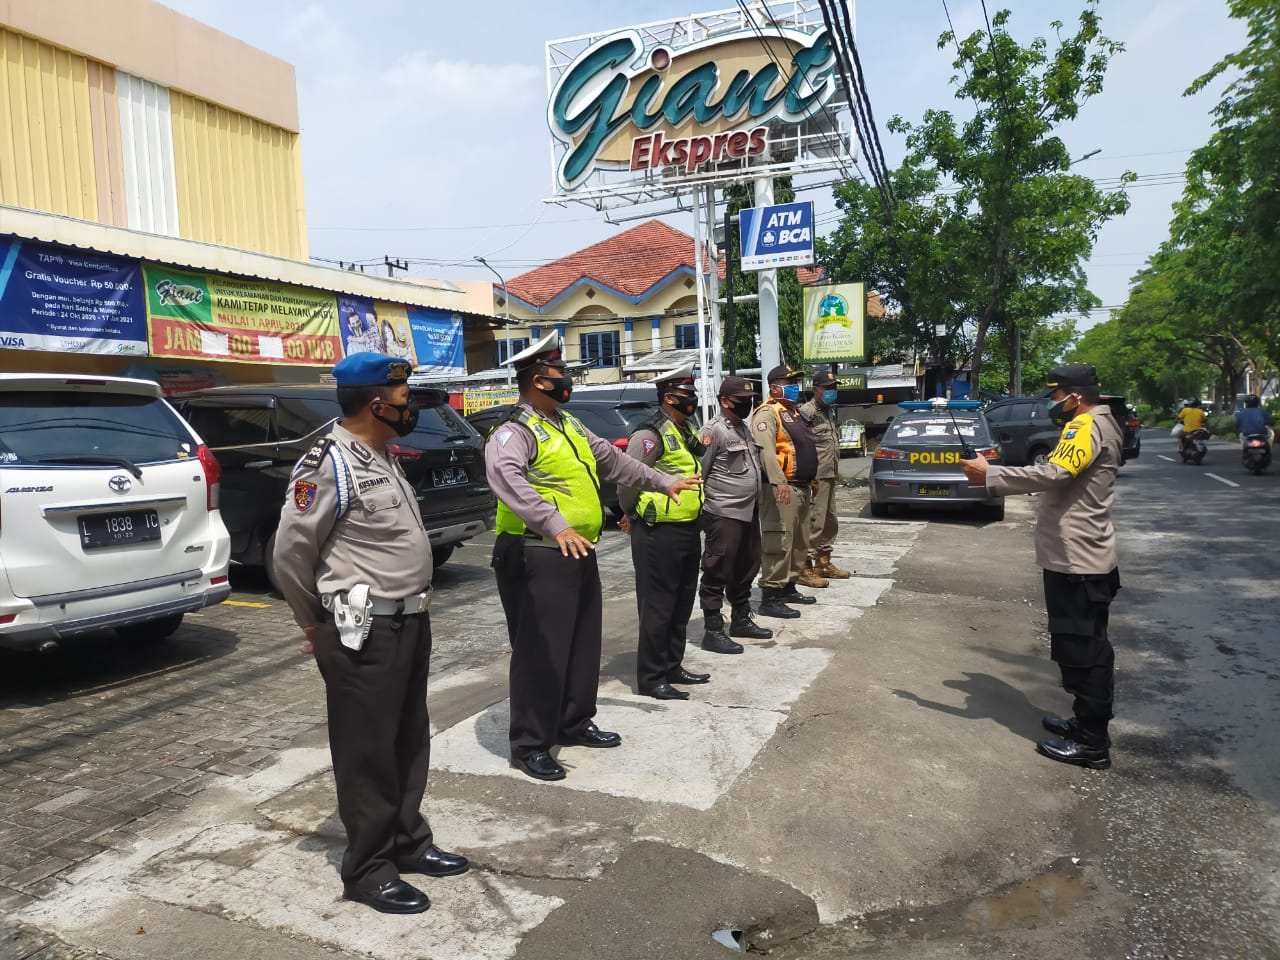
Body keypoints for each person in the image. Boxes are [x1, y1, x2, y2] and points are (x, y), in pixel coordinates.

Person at [272, 353, 468, 916]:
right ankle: (369, 869)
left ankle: (408, 842)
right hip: (361, 627)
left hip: (409, 619)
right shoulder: (326, 463)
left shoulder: (379, 455)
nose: (411, 405)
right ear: (376, 403)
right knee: (366, 751)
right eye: (403, 397)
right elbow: (290, 554)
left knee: (408, 738)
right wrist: (314, 623)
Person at [486, 333, 702, 781]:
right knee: (539, 650)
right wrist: (554, 523)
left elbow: (615, 462)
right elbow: (507, 479)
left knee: (582, 643)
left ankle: (573, 720)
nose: (566, 379)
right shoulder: (514, 431)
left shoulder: (567, 424)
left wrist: (664, 483)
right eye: (558, 373)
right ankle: (530, 743)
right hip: (537, 550)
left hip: (577, 550)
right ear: (535, 381)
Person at [960, 363, 1123, 770]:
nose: (1052, 403)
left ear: (1075, 396)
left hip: (1077, 559)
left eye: (1055, 395)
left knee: (1083, 650)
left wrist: (989, 473)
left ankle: (1092, 743)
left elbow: (1053, 473)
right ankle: (1085, 723)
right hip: (1081, 555)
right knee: (1082, 645)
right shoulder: (1099, 422)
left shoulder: (1085, 426)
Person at [618, 363, 711, 701]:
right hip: (658, 532)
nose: (694, 400)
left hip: (687, 528)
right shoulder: (649, 435)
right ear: (669, 397)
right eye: (687, 395)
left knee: (682, 603)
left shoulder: (685, 429)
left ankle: (673, 665)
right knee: (658, 606)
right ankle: (652, 676)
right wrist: (630, 513)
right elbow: (629, 480)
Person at [697, 375, 774, 654]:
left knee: (748, 566)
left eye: (750, 401)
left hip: (749, 510)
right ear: (725, 401)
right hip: (723, 512)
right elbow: (700, 474)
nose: (747, 406)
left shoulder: (744, 429)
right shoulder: (712, 431)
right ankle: (713, 629)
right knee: (718, 570)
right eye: (742, 402)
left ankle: (741, 619)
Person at [751, 364, 823, 619]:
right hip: (782, 489)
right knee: (779, 542)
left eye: (795, 382)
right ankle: (770, 596)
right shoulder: (767, 414)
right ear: (773, 387)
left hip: (801, 487)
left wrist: (811, 478)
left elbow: (803, 449)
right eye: (788, 382)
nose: (794, 387)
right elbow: (766, 451)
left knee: (799, 542)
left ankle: (789, 587)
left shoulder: (792, 413)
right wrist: (778, 481)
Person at [799, 368, 852, 581]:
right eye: (827, 388)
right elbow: (802, 445)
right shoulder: (806, 412)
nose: (832, 392)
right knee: (815, 520)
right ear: (815, 389)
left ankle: (824, 562)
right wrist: (808, 476)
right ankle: (805, 566)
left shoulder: (829, 410)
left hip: (830, 473)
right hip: (816, 477)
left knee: (830, 520)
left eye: (834, 388)